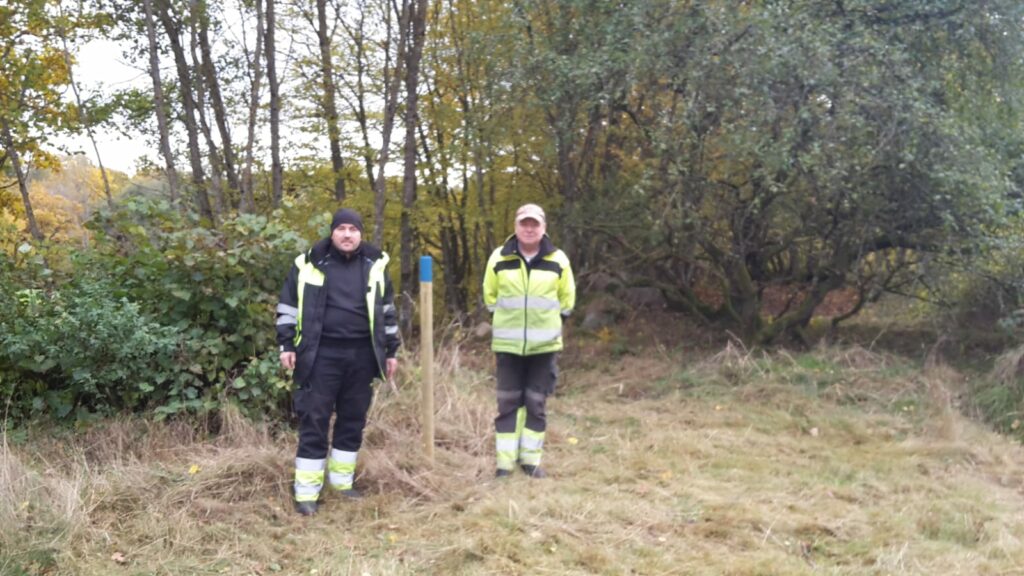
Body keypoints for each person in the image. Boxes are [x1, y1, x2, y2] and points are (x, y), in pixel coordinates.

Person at [276, 208, 399, 516]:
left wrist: (391, 351)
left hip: (362, 355)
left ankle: (342, 483)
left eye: (353, 229)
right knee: (314, 420)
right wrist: (286, 343)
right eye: (341, 228)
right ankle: (306, 492)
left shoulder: (376, 265)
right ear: (332, 232)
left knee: (353, 419)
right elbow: (288, 306)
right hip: (319, 355)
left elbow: (387, 312)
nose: (347, 234)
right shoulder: (307, 263)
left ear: (361, 234)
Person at [482, 203, 576, 478]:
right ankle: (504, 464)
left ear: (544, 228)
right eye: (524, 223)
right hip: (507, 348)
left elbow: (567, 300)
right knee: (507, 403)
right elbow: (490, 296)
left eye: (534, 224)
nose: (529, 228)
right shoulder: (499, 258)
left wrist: (551, 327)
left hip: (544, 348)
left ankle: (531, 461)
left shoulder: (558, 260)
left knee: (536, 403)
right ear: (516, 227)